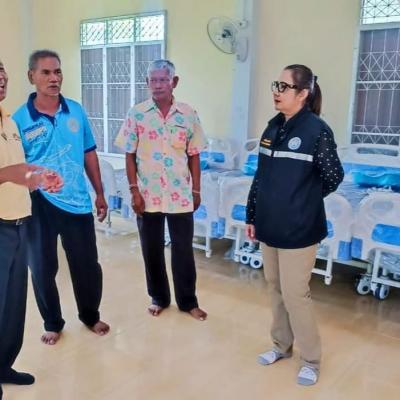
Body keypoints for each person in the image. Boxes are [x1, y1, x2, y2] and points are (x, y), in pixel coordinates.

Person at [246, 64, 344, 386]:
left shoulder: (317, 131)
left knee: (295, 294)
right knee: (275, 288)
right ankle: (281, 346)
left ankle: (311, 360)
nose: (277, 91)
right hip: (269, 224)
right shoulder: (273, 127)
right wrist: (251, 215)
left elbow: (334, 176)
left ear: (303, 94)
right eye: (276, 85)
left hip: (300, 229)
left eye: (284, 86)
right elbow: (260, 177)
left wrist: (304, 201)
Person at [13, 50, 110, 346]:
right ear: (31, 76)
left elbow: (89, 153)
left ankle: (90, 315)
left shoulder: (75, 111)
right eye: (46, 72)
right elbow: (16, 167)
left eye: (57, 72)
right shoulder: (19, 120)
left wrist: (99, 193)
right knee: (42, 267)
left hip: (77, 201)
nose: (54, 78)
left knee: (86, 264)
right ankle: (52, 323)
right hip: (38, 203)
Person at [116, 59, 207, 320]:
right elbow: (129, 154)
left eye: (163, 80)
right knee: (151, 248)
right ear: (147, 83)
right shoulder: (137, 114)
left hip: (180, 195)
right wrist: (134, 190)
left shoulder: (188, 114)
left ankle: (188, 302)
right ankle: (158, 297)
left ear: (173, 82)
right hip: (148, 195)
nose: (157, 85)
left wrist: (196, 190)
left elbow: (194, 155)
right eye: (153, 80)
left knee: (183, 250)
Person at [0, 59, 62, 394]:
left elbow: (18, 165)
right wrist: (20, 174)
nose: (2, 78)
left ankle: (3, 365)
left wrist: (40, 175)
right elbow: (9, 172)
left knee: (13, 305)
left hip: (20, 222)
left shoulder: (9, 121)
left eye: (2, 72)